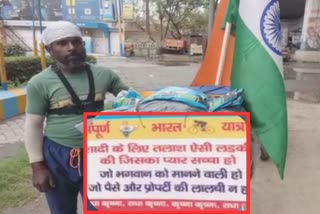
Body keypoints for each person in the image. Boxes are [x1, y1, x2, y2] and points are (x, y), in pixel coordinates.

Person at [24, 21, 129, 214]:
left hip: (100, 153)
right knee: (62, 210)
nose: (71, 47)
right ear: (49, 49)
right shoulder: (39, 83)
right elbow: (33, 126)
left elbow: (132, 103)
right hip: (58, 155)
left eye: (76, 42)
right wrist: (38, 167)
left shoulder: (105, 75)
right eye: (62, 43)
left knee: (101, 208)